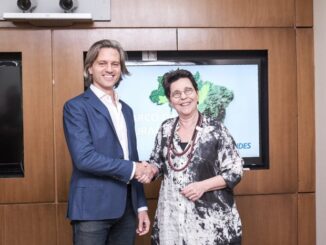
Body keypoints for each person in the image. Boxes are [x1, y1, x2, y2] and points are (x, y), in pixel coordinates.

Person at [63, 39, 151, 245]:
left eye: (115, 64)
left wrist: (141, 206)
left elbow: (132, 158)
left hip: (127, 211)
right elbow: (84, 158)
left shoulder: (126, 110)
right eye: (102, 63)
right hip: (91, 210)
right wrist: (133, 168)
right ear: (90, 68)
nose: (109, 69)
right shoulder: (75, 107)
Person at [143, 69, 244, 245]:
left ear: (197, 94)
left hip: (210, 224)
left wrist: (202, 186)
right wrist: (150, 169)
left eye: (188, 91)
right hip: (173, 222)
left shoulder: (216, 130)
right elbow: (158, 163)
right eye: (176, 93)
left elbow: (235, 171)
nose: (183, 97)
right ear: (170, 101)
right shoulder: (165, 129)